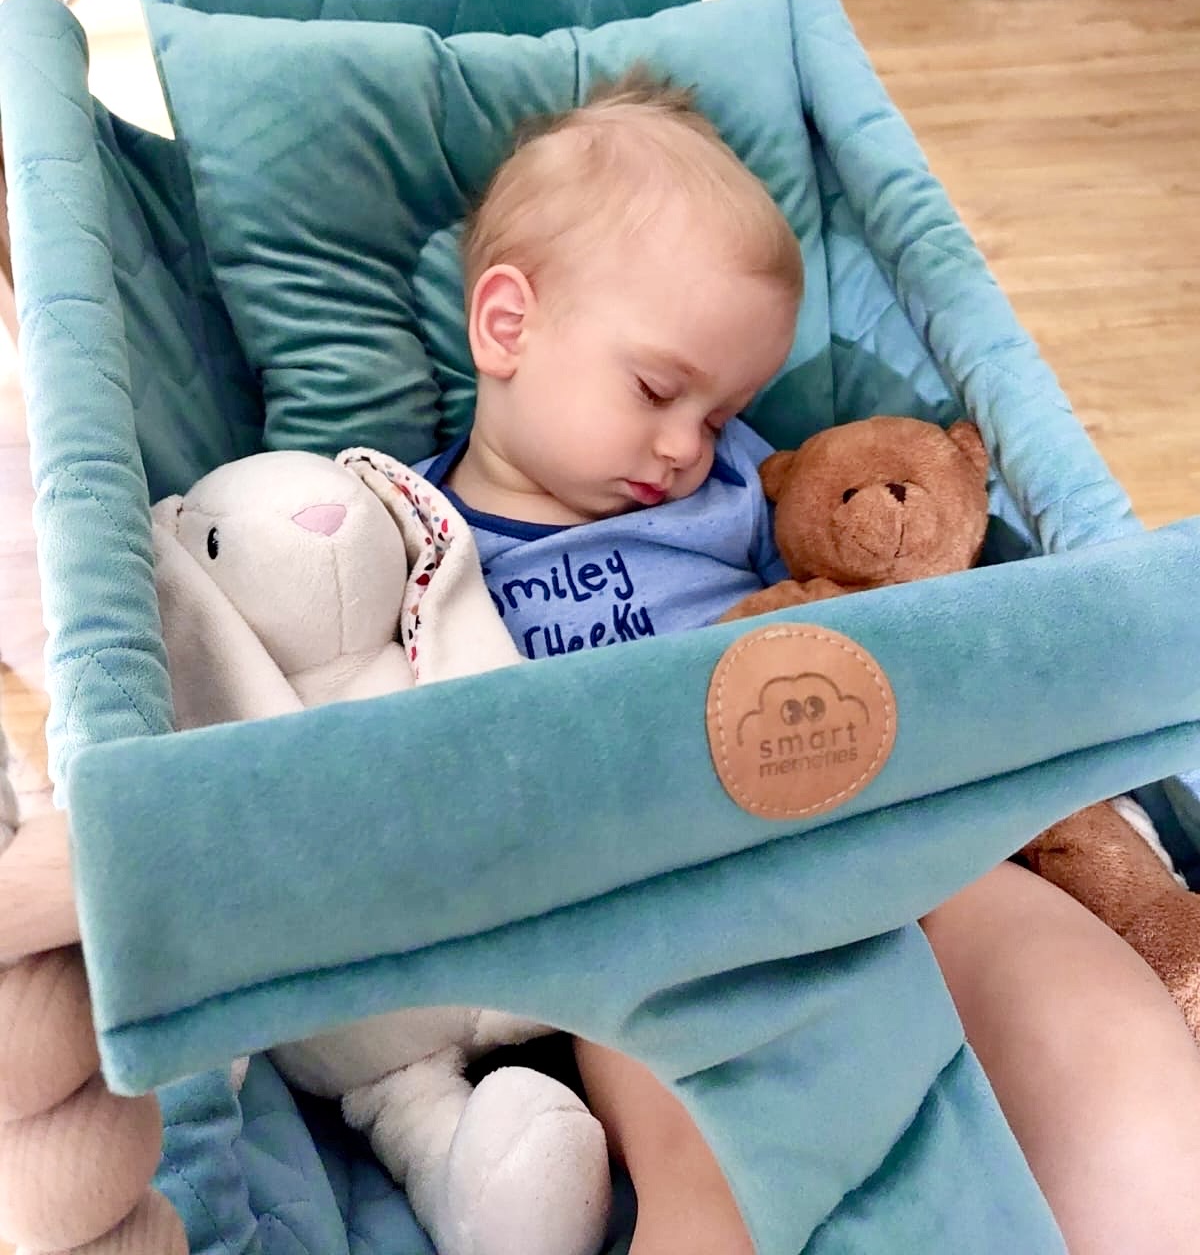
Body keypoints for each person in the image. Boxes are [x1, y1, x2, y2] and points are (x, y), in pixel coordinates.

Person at [421, 69, 1200, 1255]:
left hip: (860, 816)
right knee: (701, 1163)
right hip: (650, 916)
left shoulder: (746, 483)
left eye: (718, 412)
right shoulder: (403, 530)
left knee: (1081, 1008)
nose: (686, 446)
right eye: (657, 388)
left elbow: (860, 581)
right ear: (507, 324)